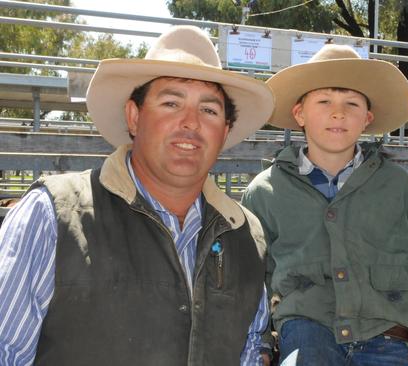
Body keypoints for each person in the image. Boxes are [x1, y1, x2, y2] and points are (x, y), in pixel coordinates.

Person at [0, 26, 275, 366]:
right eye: (171, 103)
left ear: (225, 131)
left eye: (209, 110)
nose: (190, 122)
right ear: (134, 116)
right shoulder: (51, 217)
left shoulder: (246, 236)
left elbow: (250, 347)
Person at [241, 44, 408, 366]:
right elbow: (254, 279)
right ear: (299, 113)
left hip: (386, 334)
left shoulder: (401, 187)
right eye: (324, 101)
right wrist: (263, 344)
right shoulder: (264, 192)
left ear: (368, 118)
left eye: (351, 103)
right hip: (305, 330)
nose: (338, 113)